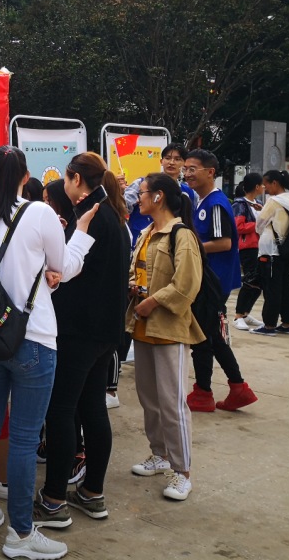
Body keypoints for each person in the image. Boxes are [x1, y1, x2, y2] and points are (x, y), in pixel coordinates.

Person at [0, 145, 96, 560]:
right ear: (26, 177)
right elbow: (64, 267)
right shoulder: (39, 213)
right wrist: (81, 233)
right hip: (34, 336)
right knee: (23, 439)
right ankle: (21, 533)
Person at [34, 153, 130, 529]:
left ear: (76, 179)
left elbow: (64, 270)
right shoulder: (114, 216)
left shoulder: (89, 217)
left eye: (66, 179)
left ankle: (54, 499)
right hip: (106, 331)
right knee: (92, 409)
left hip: (78, 331)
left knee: (60, 410)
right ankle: (92, 493)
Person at [126, 173, 205, 502]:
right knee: (150, 399)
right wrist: (134, 286)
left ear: (158, 196)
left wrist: (154, 301)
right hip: (143, 326)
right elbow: (136, 269)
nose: (138, 198)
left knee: (172, 403)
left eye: (142, 193)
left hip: (169, 329)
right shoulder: (146, 232)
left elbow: (187, 284)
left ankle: (182, 471)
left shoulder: (181, 234)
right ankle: (159, 454)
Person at [182, 149, 256, 413]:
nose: (187, 174)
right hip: (210, 280)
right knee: (212, 335)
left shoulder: (214, 204)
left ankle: (204, 392)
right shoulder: (203, 201)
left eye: (192, 169)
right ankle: (238, 388)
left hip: (213, 283)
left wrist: (189, 248)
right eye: (186, 169)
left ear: (210, 172)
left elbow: (224, 243)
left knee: (203, 338)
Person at [123, 143, 196, 248]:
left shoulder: (189, 192)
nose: (171, 162)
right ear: (161, 161)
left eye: (177, 159)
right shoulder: (142, 183)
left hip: (172, 247)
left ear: (184, 164)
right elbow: (122, 208)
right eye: (167, 158)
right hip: (139, 245)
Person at [252, 170, 289, 336]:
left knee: (272, 288)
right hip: (288, 251)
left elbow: (259, 225)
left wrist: (264, 213)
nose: (265, 188)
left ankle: (269, 325)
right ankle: (287, 323)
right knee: (287, 287)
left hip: (271, 250)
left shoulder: (273, 201)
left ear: (275, 183)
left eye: (266, 184)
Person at [232, 173, 266, 330]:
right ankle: (238, 315)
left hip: (261, 246)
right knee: (250, 280)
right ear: (257, 187)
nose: (264, 187)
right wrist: (258, 223)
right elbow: (238, 227)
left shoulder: (259, 204)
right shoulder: (240, 205)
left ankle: (246, 313)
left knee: (259, 282)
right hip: (248, 247)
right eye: (262, 185)